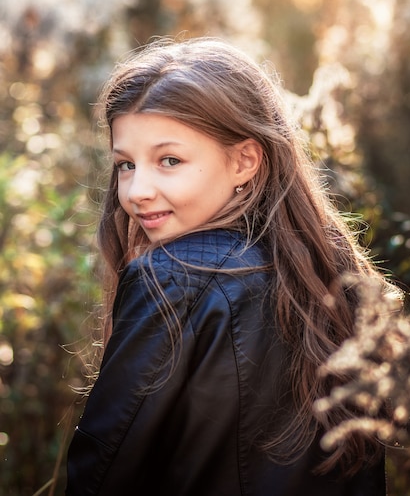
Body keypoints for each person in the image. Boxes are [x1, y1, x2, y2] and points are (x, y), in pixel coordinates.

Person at [66, 37, 392, 495]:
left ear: (244, 160)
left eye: (169, 160)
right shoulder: (331, 276)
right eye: (125, 164)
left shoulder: (173, 278)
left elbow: (102, 470)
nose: (137, 190)